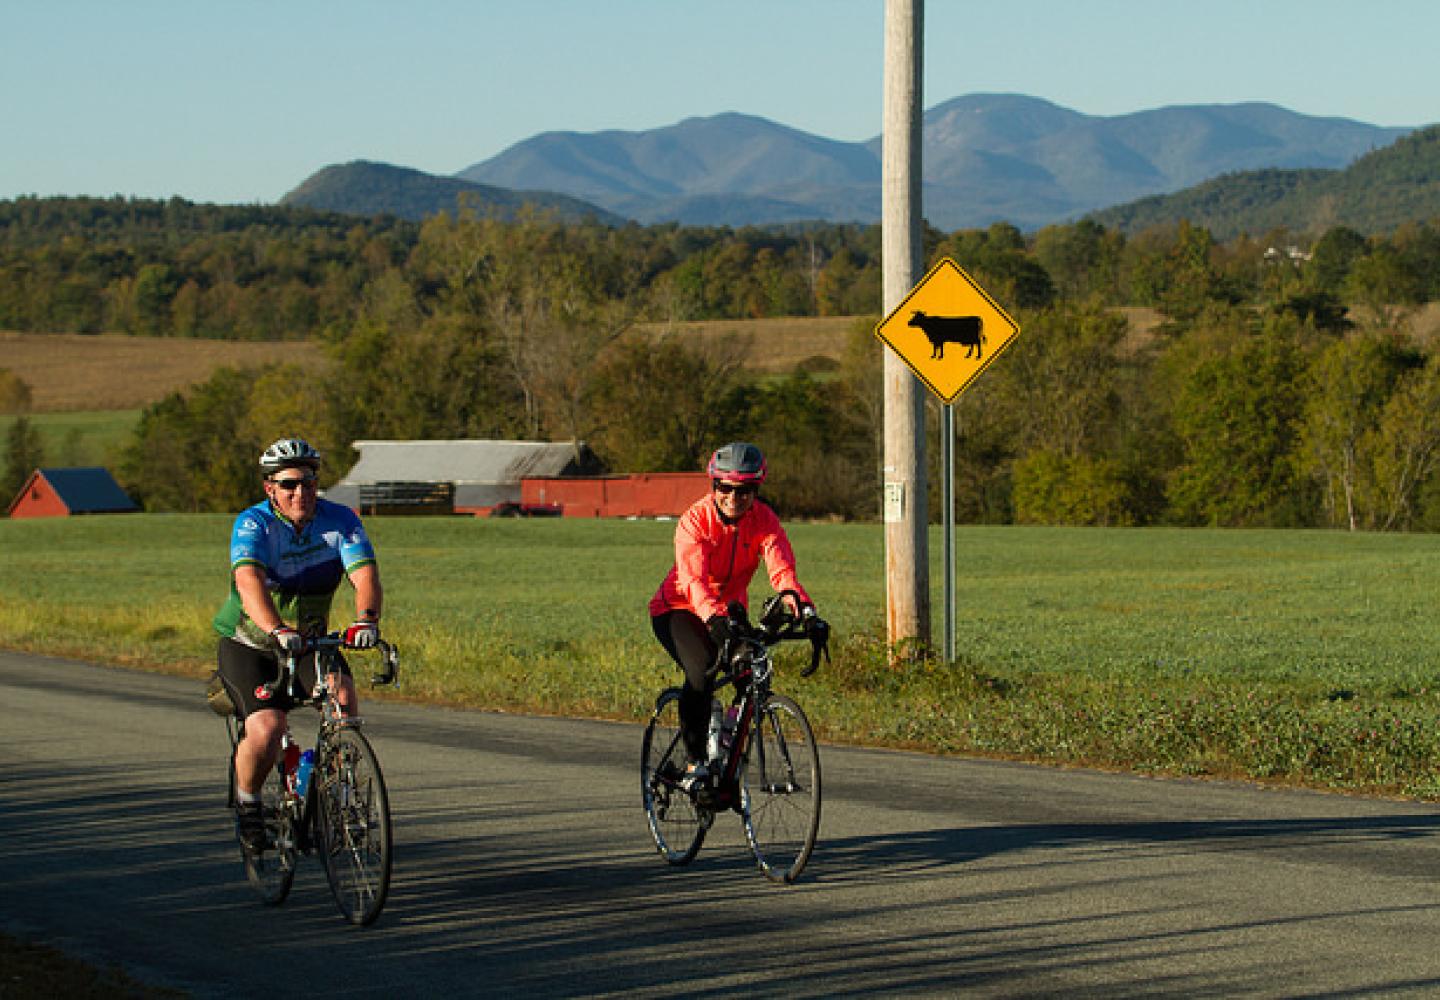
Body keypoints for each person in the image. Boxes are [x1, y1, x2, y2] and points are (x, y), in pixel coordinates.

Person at [213, 437, 384, 853]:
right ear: (270, 488)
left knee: (343, 697)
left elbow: (364, 575)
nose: (300, 493)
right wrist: (274, 627)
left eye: (308, 482)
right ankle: (249, 805)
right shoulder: (254, 524)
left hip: (308, 643)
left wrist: (367, 620)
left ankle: (342, 801)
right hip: (251, 645)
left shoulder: (340, 520)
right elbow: (248, 581)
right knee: (268, 730)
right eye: (288, 484)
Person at [648, 441, 820, 788]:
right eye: (724, 488)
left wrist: (806, 611)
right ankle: (695, 763)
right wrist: (713, 619)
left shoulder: (764, 521)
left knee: (752, 672)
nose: (733, 497)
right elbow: (693, 580)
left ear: (755, 490)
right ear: (714, 485)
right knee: (703, 670)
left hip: (724, 610)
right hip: (679, 608)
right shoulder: (695, 521)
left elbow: (783, 573)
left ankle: (724, 741)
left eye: (744, 490)